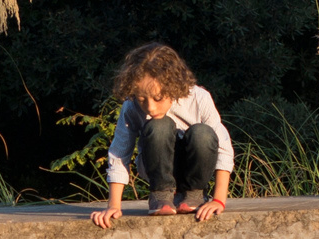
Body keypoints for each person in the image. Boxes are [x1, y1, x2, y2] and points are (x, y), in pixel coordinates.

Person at [91, 43, 234, 226]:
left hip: (194, 167)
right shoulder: (131, 107)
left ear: (174, 87)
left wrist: (218, 200)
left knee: (203, 133)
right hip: (156, 168)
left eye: (158, 98)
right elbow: (119, 153)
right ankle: (161, 195)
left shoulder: (199, 98)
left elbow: (223, 148)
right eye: (142, 99)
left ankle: (194, 194)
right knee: (159, 126)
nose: (150, 108)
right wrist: (113, 205)